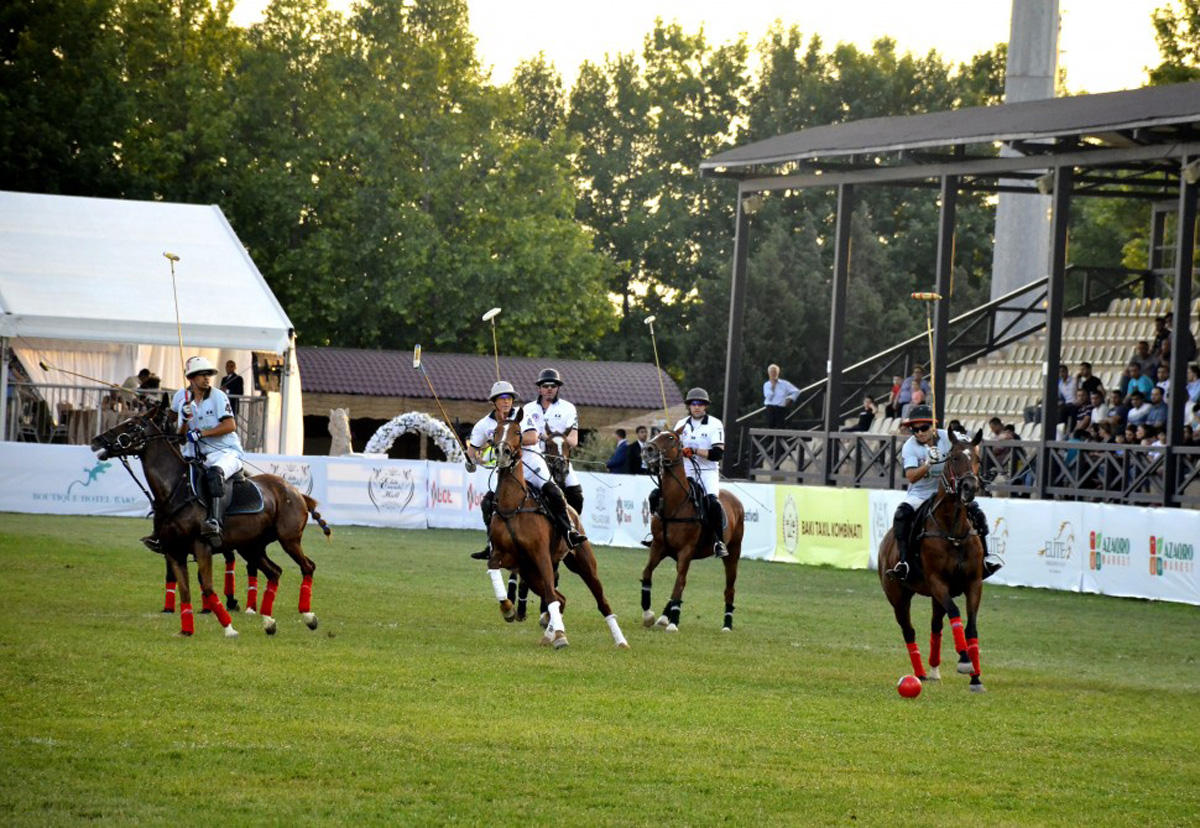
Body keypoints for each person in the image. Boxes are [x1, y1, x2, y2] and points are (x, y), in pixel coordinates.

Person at [467, 380, 584, 561]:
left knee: (553, 491)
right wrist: (473, 460)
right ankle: (492, 544)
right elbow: (472, 450)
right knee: (487, 503)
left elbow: (532, 437)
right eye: (502, 398)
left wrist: (505, 442)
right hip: (507, 472)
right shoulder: (484, 424)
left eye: (510, 398)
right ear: (494, 401)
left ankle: (569, 531)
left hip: (532, 464)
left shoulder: (524, 414)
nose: (507, 402)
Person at [884, 404, 1000, 583]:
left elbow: (972, 447)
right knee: (901, 515)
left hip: (949, 491)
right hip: (921, 493)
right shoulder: (910, 447)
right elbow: (911, 477)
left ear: (933, 426)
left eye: (924, 428)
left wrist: (972, 471)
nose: (920, 432)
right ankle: (904, 562)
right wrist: (928, 464)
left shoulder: (948, 437)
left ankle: (986, 559)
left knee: (977, 513)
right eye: (915, 429)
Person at [172, 356, 244, 547]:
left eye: (208, 374)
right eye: (202, 375)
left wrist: (202, 433)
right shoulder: (183, 402)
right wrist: (185, 420)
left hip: (226, 452)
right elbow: (180, 436)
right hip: (198, 456)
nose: (207, 378)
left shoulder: (218, 396)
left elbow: (230, 425)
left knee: (215, 473)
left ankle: (215, 522)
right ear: (191, 378)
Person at [653, 388, 729, 558]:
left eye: (700, 404)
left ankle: (719, 541)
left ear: (705, 406)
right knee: (657, 496)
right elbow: (671, 446)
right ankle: (657, 536)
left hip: (707, 471)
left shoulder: (715, 424)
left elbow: (718, 454)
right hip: (685, 471)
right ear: (689, 406)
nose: (697, 407)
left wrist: (694, 450)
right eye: (693, 404)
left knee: (713, 503)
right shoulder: (681, 424)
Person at [530, 368, 584, 514]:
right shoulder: (528, 409)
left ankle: (573, 531)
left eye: (553, 386)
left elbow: (573, 440)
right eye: (545, 386)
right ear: (539, 388)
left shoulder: (568, 408)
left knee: (576, 495)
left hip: (559, 459)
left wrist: (554, 439)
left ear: (558, 388)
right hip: (533, 459)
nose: (549, 389)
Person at [762, 364, 800, 428]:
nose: (773, 374)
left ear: (778, 373)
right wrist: (773, 386)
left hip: (780, 409)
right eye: (772, 372)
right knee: (770, 428)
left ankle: (780, 438)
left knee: (780, 428)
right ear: (769, 373)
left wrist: (790, 398)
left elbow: (797, 391)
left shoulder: (784, 383)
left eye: (775, 372)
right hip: (770, 408)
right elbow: (769, 397)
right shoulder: (767, 384)